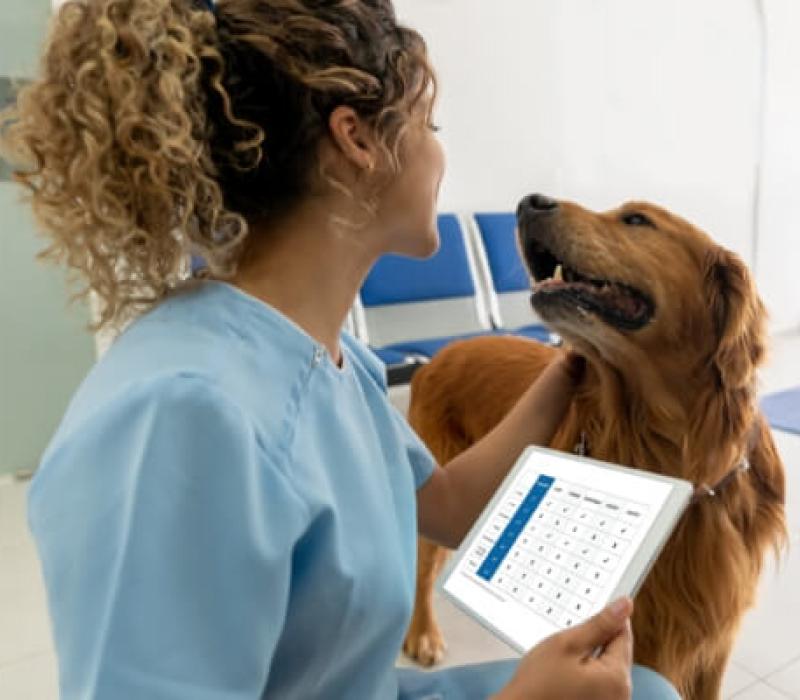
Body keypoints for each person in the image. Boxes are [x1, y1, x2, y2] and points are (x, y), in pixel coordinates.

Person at [1, 0, 681, 698]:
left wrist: (572, 364)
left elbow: (443, 505)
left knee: (650, 691)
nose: (441, 151)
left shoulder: (331, 359)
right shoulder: (181, 418)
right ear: (357, 139)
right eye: (430, 124)